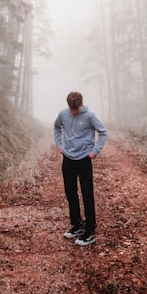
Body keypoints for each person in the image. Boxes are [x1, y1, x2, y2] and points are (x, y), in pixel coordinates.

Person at [53, 91, 107, 247]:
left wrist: (95, 151)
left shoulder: (90, 116)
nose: (72, 111)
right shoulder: (63, 114)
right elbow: (57, 128)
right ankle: (76, 224)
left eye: (74, 109)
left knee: (87, 193)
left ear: (80, 104)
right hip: (68, 159)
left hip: (84, 159)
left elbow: (103, 132)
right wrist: (59, 145)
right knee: (70, 192)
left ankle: (89, 229)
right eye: (70, 108)